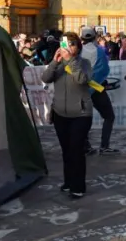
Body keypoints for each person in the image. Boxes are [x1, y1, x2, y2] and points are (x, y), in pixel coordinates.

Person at [43, 32, 94, 197]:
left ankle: (78, 187)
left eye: (72, 44)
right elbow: (46, 78)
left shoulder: (84, 63)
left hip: (80, 114)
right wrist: (54, 62)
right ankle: (68, 181)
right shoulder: (58, 64)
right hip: (60, 113)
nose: (68, 47)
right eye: (65, 44)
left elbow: (82, 79)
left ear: (78, 47)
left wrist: (71, 61)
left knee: (76, 149)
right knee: (66, 150)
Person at [80, 27, 117, 155]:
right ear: (95, 36)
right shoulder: (99, 51)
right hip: (96, 87)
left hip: (82, 88)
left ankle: (85, 145)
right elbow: (104, 70)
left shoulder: (77, 51)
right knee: (109, 116)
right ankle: (104, 145)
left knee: (84, 119)